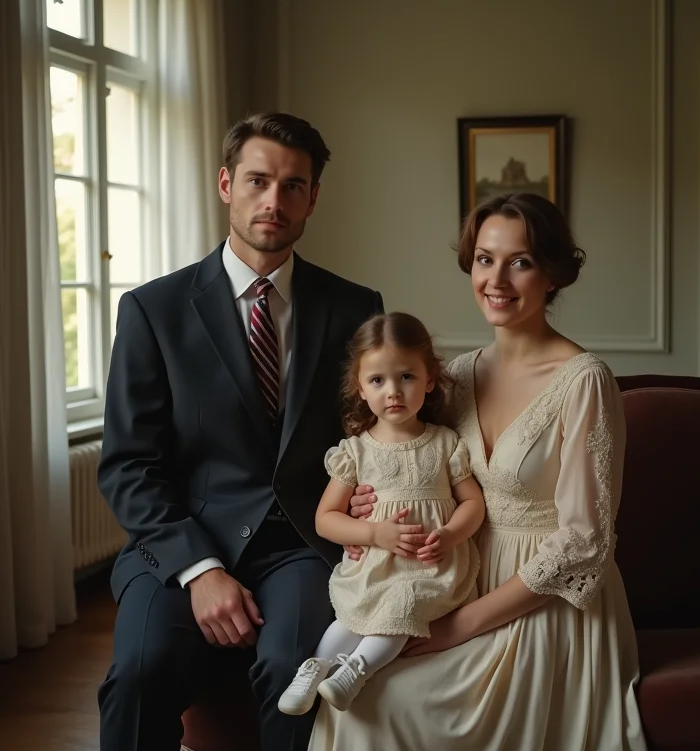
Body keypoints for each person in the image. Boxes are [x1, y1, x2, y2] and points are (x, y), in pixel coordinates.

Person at [311, 193, 647, 750]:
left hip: (546, 603)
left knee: (387, 699)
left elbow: (585, 542)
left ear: (552, 275)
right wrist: (367, 520)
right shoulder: (455, 377)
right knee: (356, 693)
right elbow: (417, 471)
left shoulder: (584, 379)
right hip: (451, 584)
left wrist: (464, 626)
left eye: (521, 261)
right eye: (486, 259)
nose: (497, 279)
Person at [97, 112, 384, 751]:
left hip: (300, 546)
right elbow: (127, 465)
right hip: (179, 542)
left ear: (313, 197)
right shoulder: (152, 310)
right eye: (258, 181)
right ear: (227, 183)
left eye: (292, 186)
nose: (273, 202)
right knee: (139, 674)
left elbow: (371, 432)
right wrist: (199, 569)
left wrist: (372, 486)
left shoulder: (355, 307)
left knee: (297, 676)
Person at [277, 313, 485, 716]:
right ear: (360, 388)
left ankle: (357, 668)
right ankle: (314, 670)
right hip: (375, 565)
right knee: (352, 619)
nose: (393, 392)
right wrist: (373, 533)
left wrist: (451, 535)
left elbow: (473, 503)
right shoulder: (355, 451)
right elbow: (326, 518)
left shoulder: (445, 443)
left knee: (401, 606)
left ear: (429, 380)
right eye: (378, 381)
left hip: (427, 569)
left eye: (406, 377)